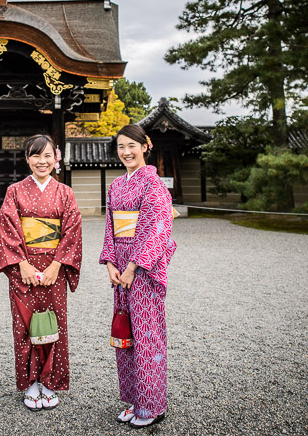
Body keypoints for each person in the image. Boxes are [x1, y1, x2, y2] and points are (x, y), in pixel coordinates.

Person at [99, 124, 177, 428]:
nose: (126, 152)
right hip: (120, 268)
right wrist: (109, 262)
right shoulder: (117, 184)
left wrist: (133, 266)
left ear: (146, 145)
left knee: (148, 337)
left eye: (132, 145)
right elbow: (110, 226)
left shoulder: (154, 185)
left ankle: (153, 405)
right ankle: (135, 399)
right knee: (126, 337)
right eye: (121, 146)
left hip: (143, 271)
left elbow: (158, 229)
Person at [0, 134, 82, 411]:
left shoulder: (65, 193)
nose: (41, 161)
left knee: (54, 327)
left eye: (47, 156)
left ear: (55, 159)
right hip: (24, 268)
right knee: (24, 326)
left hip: (54, 270)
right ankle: (31, 383)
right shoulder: (14, 191)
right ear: (27, 159)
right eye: (36, 155)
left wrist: (57, 265)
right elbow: (8, 227)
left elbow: (72, 232)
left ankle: (50, 382)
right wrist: (21, 263)